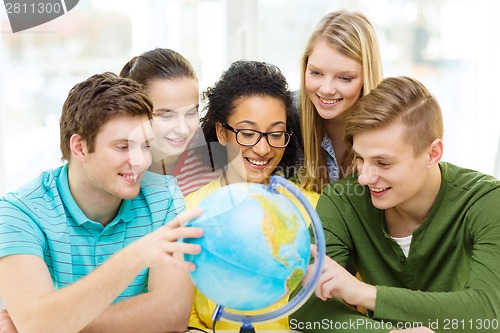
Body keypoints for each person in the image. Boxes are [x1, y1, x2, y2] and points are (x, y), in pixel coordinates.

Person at [290, 76, 500, 333]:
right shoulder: (341, 201)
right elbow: (304, 309)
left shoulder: (487, 200)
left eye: (384, 163)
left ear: (432, 154)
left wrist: (364, 294)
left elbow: (488, 311)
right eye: (360, 158)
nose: (365, 177)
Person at [0, 72, 204, 333]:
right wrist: (132, 258)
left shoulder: (163, 196)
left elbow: (172, 314)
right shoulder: (18, 213)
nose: (141, 161)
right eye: (123, 147)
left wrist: (57, 322)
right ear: (80, 147)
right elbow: (38, 324)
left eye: (144, 145)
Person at [187, 60, 320, 331]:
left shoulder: (315, 210)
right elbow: (184, 318)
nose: (262, 149)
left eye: (276, 134)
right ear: (222, 132)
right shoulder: (190, 211)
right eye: (248, 133)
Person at [297, 9, 384, 193]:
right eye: (316, 73)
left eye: (345, 78)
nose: (326, 89)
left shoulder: (391, 126)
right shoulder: (284, 116)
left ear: (366, 78)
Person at [120, 48, 220, 196]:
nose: (183, 129)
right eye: (166, 116)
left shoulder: (214, 157)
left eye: (191, 113)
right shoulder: (119, 166)